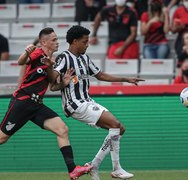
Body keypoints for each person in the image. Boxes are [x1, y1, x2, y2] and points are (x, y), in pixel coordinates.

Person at [0, 27, 92, 180]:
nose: (58, 42)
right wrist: (26, 51)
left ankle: (73, 170)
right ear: (44, 42)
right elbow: (20, 61)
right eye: (54, 39)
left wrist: (63, 82)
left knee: (62, 129)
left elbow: (53, 86)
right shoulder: (37, 52)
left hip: (37, 105)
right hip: (23, 102)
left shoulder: (53, 61)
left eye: (57, 39)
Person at [48, 25, 145, 180]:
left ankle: (94, 166)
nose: (87, 45)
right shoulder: (63, 57)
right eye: (85, 42)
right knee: (114, 124)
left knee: (120, 129)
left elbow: (100, 75)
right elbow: (52, 83)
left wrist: (126, 79)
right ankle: (116, 168)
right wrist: (53, 70)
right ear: (74, 42)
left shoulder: (85, 58)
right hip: (74, 103)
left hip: (87, 100)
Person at [171, 0, 188, 66]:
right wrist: (181, 26)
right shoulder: (178, 11)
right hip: (181, 39)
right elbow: (173, 29)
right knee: (181, 58)